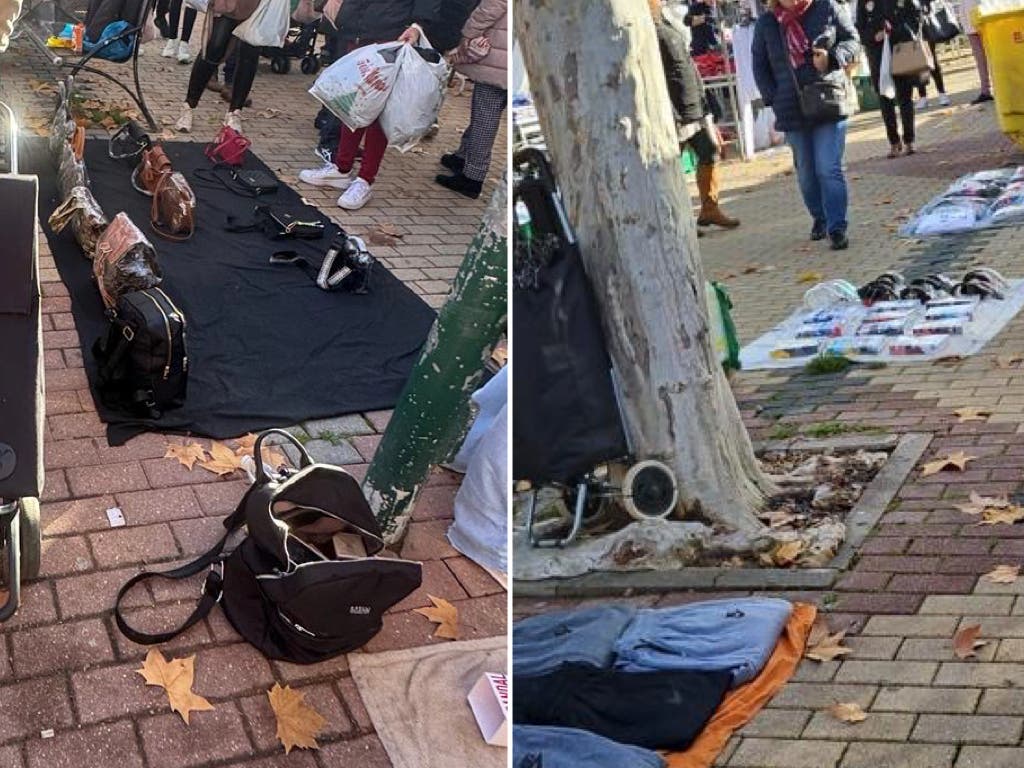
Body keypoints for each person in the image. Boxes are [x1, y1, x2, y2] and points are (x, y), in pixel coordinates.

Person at [298, 0, 442, 211]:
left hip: (392, 32)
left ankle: (365, 179)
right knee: (354, 101)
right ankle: (341, 167)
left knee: (379, 110)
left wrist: (417, 26)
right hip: (358, 27)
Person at [752, 0, 860, 250]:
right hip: (790, 106)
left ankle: (837, 227)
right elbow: (759, 65)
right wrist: (773, 97)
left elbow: (853, 41)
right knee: (807, 173)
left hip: (827, 99)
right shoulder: (767, 23)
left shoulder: (827, 7)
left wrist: (832, 58)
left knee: (828, 167)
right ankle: (819, 217)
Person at [651, 0, 739, 230]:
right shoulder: (649, 31)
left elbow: (687, 66)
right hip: (674, 111)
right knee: (671, 166)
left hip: (692, 106)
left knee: (709, 151)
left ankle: (710, 208)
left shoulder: (668, 23)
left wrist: (704, 105)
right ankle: (677, 221)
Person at [435, 0, 507, 199]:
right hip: (508, 58)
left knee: (485, 119)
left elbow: (492, 6)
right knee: (484, 115)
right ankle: (463, 156)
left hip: (499, 60)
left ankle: (473, 176)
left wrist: (468, 32)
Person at [174, 3, 266, 135]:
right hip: (228, 5)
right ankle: (189, 105)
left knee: (249, 55)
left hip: (258, 6)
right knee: (214, 47)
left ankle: (235, 112)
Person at [856, 0, 924, 158]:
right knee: (885, 100)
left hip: (901, 51)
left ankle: (909, 140)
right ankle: (894, 142)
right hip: (878, 57)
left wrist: (897, 32)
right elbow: (860, 30)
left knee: (905, 97)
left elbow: (916, 16)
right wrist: (873, 36)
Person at [914, 5, 950, 109]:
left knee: (931, 59)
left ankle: (942, 93)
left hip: (925, 24)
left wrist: (925, 7)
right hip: (911, 26)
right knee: (917, 63)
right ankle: (923, 96)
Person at [960, 0, 992, 103]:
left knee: (993, 58)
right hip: (970, 25)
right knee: (980, 61)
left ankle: (998, 89)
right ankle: (985, 91)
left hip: (985, 22)